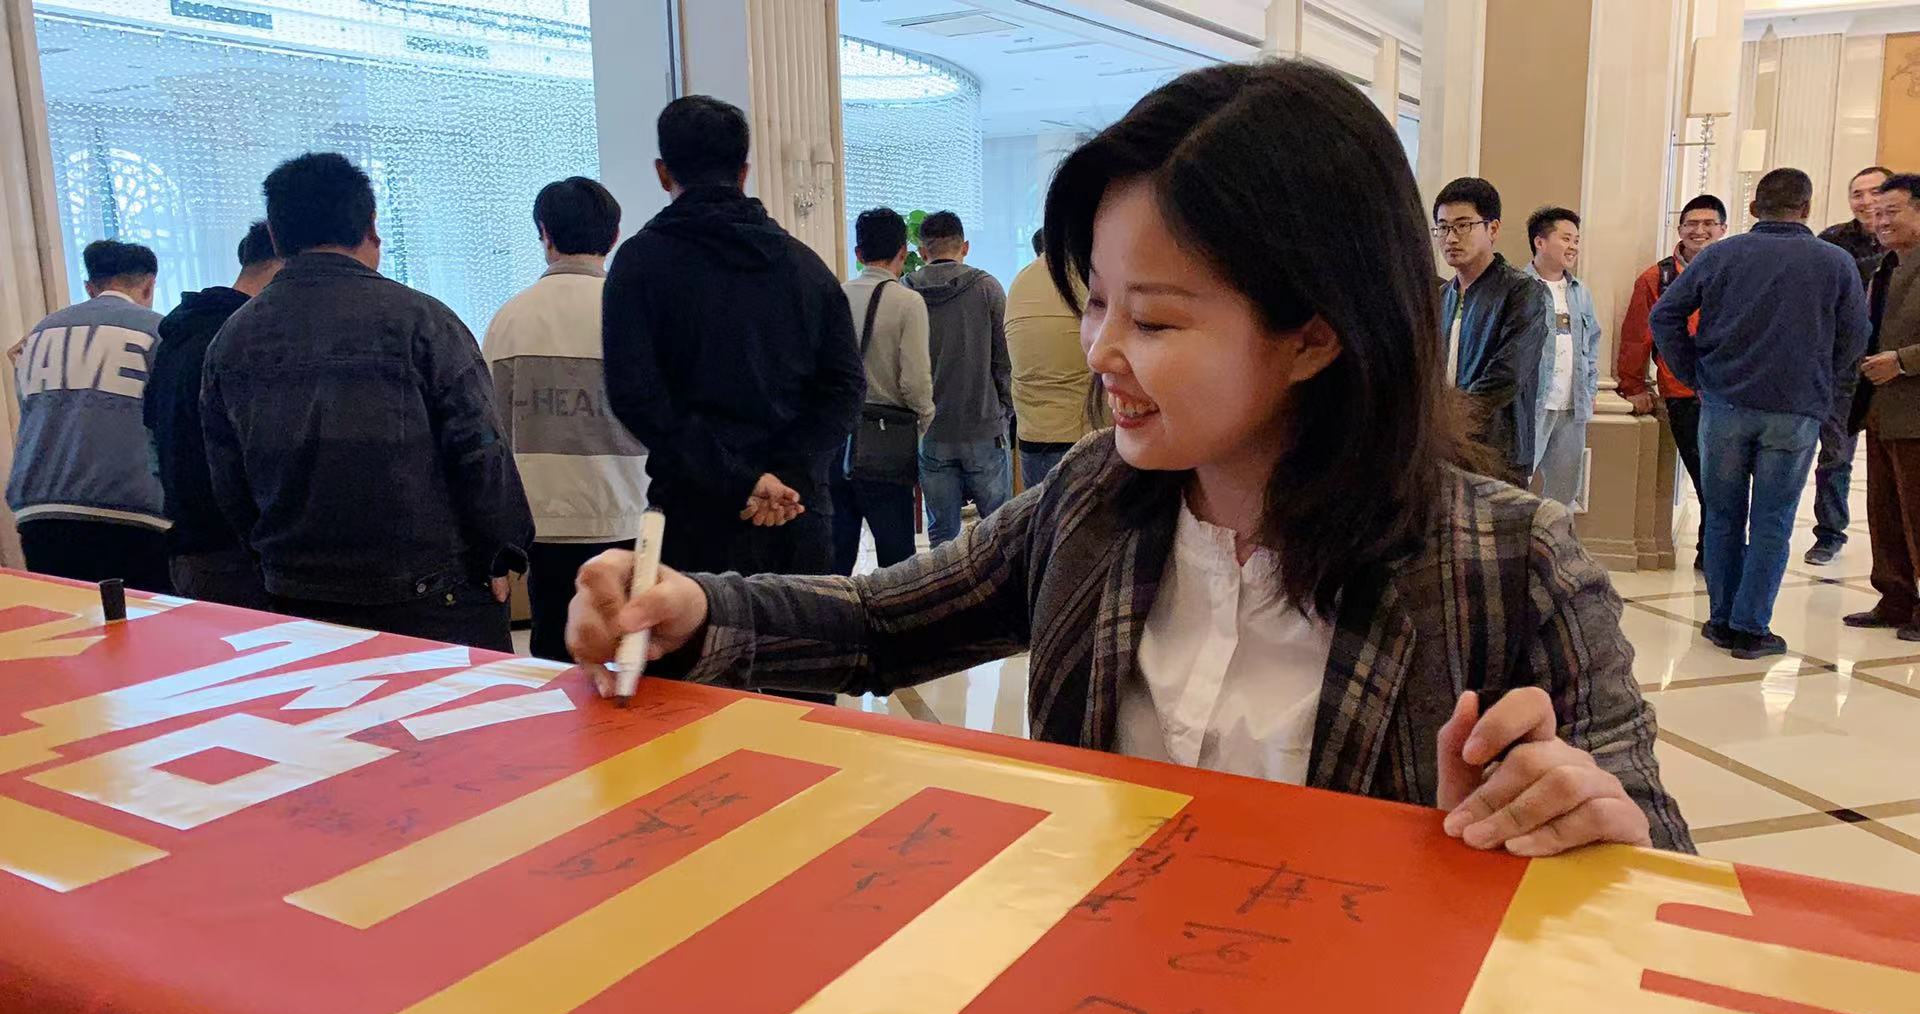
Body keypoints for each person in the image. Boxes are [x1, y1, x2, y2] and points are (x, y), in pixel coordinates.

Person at [568, 59, 1692, 859]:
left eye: (1152, 319)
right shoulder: (1094, 503)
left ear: (1314, 334)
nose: (1101, 350)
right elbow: (877, 622)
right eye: (1097, 300)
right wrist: (693, 613)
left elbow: (1651, 853)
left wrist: (1582, 825)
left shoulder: (1508, 565)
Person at [202, 152, 533, 651]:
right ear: (372, 227)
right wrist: (501, 551)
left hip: (297, 596)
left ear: (274, 234)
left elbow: (228, 479)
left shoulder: (232, 340)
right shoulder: (422, 321)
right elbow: (481, 451)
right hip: (432, 598)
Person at [602, 95, 864, 580]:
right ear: (744, 172)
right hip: (796, 512)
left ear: (663, 173)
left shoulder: (639, 264)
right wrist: (783, 477)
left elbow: (636, 397)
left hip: (693, 517)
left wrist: (743, 480)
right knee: (801, 631)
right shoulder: (806, 268)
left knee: (697, 634)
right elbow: (845, 389)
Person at [1650, 168, 1870, 659]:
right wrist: (1822, 381)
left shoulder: (1721, 255)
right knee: (1773, 518)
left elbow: (1663, 315)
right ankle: (1751, 628)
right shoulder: (1835, 262)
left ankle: (1721, 619)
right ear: (1806, 208)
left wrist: (1696, 373)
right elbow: (1856, 337)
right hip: (1795, 410)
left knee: (1722, 514)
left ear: (1753, 208)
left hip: (1724, 403)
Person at [483, 177, 646, 662]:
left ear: (544, 232)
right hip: (630, 510)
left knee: (555, 652)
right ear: (614, 236)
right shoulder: (635, 312)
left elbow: (490, 433)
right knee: (635, 649)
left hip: (544, 520)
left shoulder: (509, 319)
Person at [6, 239, 169, 591]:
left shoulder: (39, 334)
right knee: (142, 620)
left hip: (40, 511)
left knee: (70, 618)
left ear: (89, 287)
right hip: (131, 508)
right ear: (149, 285)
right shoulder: (158, 330)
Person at [145, 221, 282, 608]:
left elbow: (151, 429)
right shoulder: (243, 337)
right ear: (282, 265)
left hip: (190, 546)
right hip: (236, 553)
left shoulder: (180, 332)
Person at [1618, 194, 1729, 569]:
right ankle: (1713, 550)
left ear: (1723, 229)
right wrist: (1633, 385)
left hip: (1731, 393)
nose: (1699, 230)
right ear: (1679, 229)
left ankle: (1717, 548)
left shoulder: (1736, 270)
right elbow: (1636, 336)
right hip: (1683, 394)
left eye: (1708, 224)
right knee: (1704, 475)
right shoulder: (1657, 278)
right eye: (1691, 224)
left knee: (1729, 477)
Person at [832, 208, 935, 576]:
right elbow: (914, 382)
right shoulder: (908, 302)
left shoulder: (836, 295)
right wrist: (924, 420)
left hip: (839, 440)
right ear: (903, 252)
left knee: (836, 559)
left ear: (858, 253)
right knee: (896, 566)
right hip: (886, 442)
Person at [1805, 167, 1896, 566]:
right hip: (1841, 365)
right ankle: (1829, 532)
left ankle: (1897, 544)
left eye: (1875, 192)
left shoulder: (1907, 242)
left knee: (1894, 457)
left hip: (1896, 367)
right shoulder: (1832, 241)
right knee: (1835, 454)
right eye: (1857, 193)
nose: (1866, 201)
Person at [905, 211, 1014, 546]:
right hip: (983, 425)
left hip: (931, 431)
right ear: (964, 246)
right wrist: (1004, 411)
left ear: (922, 252)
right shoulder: (988, 288)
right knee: (999, 532)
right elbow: (1004, 361)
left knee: (942, 535)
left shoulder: (906, 292)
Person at [1844, 172, 1920, 641]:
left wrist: (1903, 361)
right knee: (1885, 510)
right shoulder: (1883, 266)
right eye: (1878, 212)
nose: (1881, 219)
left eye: (1893, 210)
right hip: (1879, 408)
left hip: (1914, 410)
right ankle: (1895, 597)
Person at [1435, 178, 1549, 485]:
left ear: (1493, 229)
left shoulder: (1522, 292)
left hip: (1498, 452)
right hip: (1448, 447)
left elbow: (1507, 374)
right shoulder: (1442, 296)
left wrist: (1449, 419)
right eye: (1443, 227)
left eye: (1463, 225)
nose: (1451, 238)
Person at [1008, 227, 1098, 489]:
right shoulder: (1085, 278)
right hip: (1083, 433)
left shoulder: (1019, 283)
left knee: (1042, 512)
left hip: (1032, 435)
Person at [1523, 207, 1600, 510]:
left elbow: (1592, 343)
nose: (1573, 247)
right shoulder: (1518, 288)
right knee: (1514, 484)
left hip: (1571, 408)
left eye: (1576, 240)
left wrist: (1589, 390)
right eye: (1566, 238)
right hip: (1531, 407)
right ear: (1540, 242)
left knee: (1563, 494)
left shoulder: (1580, 292)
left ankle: (1554, 541)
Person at [1819, 165, 1893, 261]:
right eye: (1858, 195)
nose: (1866, 202)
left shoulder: (1908, 238)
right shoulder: (1832, 239)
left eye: (1876, 193)